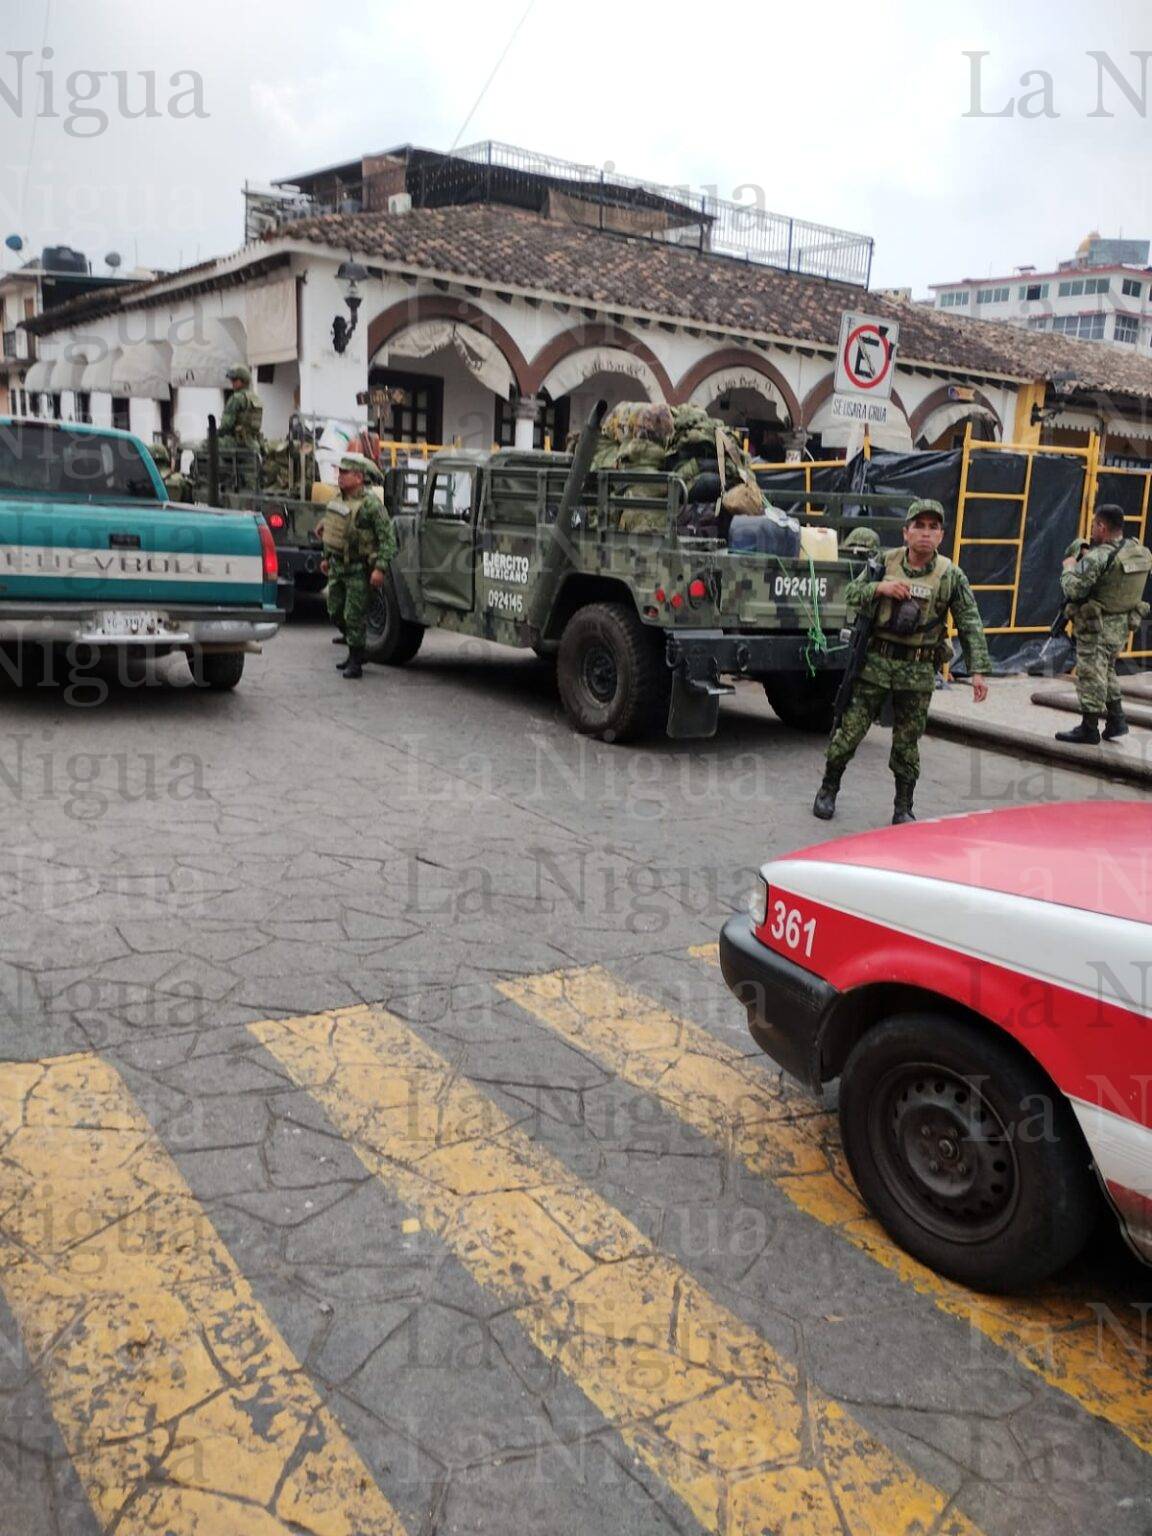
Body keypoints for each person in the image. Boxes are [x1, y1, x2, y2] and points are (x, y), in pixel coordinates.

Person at [813, 498, 991, 826]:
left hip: (918, 671)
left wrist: (978, 671)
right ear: (905, 532)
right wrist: (880, 587)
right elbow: (850, 594)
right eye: (918, 526)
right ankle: (828, 789)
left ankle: (903, 807)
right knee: (848, 734)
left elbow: (969, 621)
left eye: (933, 527)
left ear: (941, 535)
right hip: (875, 665)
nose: (925, 533)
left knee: (907, 745)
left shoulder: (950, 575)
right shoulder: (884, 562)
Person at [1054, 503, 1152, 744]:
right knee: (1107, 671)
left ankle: (1089, 728)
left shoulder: (1098, 557)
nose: (1092, 530)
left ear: (1102, 526)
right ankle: (1117, 720)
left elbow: (1074, 589)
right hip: (1121, 626)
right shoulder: (1138, 551)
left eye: (1094, 525)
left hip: (1095, 627)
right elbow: (1115, 579)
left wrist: (1068, 569)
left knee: (1090, 674)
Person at [319, 453, 398, 680]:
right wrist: (326, 557)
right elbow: (333, 532)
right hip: (337, 566)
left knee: (354, 615)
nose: (340, 476)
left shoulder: (372, 505)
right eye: (340, 472)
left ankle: (356, 659)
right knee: (335, 611)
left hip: (359, 569)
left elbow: (388, 539)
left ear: (359, 477)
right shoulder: (339, 499)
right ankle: (357, 649)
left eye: (345, 473)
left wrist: (380, 569)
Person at [219, 364, 263, 445]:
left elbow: (226, 425)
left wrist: (216, 434)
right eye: (232, 380)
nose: (232, 382)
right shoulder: (255, 397)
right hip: (254, 442)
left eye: (235, 380)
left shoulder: (236, 398)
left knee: (205, 444)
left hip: (237, 442)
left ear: (243, 380)